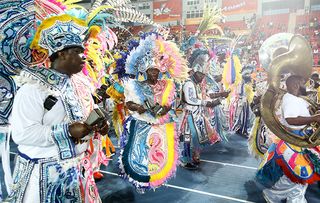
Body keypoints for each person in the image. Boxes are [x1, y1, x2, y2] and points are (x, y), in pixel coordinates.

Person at [6, 14, 108, 202]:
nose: (84, 56)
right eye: (77, 51)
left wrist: (97, 128)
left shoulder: (81, 85)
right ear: (61, 53)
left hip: (79, 174)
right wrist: (67, 131)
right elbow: (21, 134)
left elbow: (86, 121)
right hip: (43, 178)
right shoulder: (33, 88)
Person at [119, 34, 188, 190]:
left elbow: (174, 103)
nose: (154, 74)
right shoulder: (135, 85)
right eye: (151, 71)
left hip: (162, 125)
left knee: (159, 154)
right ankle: (141, 182)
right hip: (141, 123)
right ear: (145, 71)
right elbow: (128, 103)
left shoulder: (167, 85)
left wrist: (167, 108)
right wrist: (138, 107)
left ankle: (154, 179)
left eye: (156, 71)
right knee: (139, 154)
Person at [257, 75, 320, 203]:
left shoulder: (299, 99)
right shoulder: (289, 99)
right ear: (295, 85)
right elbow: (291, 120)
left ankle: (278, 196)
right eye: (303, 82)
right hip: (294, 140)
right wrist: (314, 119)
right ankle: (279, 196)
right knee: (299, 174)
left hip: (302, 138)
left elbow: (306, 114)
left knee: (300, 176)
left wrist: (314, 114)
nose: (306, 85)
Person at [180, 48, 221, 169]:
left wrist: (210, 102)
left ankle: (193, 157)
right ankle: (185, 159)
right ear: (194, 72)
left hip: (196, 115)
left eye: (203, 75)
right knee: (188, 138)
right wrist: (207, 103)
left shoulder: (196, 84)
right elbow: (190, 99)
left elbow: (199, 98)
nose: (202, 77)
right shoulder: (188, 83)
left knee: (197, 138)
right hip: (189, 115)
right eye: (200, 74)